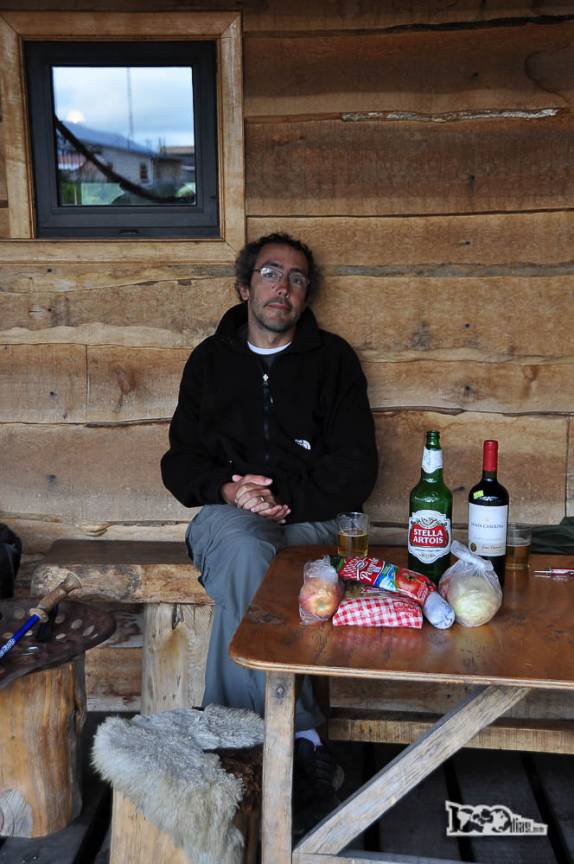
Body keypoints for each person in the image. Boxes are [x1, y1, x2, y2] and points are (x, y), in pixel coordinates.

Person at [161, 232, 378, 833]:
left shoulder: (334, 362)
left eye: (298, 278)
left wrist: (283, 496)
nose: (284, 286)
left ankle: (233, 736)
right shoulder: (209, 362)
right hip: (230, 514)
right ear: (244, 287)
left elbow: (358, 466)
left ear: (307, 296)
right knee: (242, 547)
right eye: (270, 273)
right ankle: (302, 736)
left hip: (313, 515)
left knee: (267, 569)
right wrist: (232, 491)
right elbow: (179, 463)